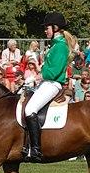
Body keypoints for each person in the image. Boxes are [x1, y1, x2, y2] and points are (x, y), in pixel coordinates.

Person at [22, 12, 71, 161]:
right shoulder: (54, 45)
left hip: (53, 84)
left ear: (55, 28)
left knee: (30, 109)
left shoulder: (61, 46)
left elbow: (55, 70)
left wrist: (37, 76)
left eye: (47, 28)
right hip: (46, 82)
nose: (45, 31)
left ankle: (36, 149)